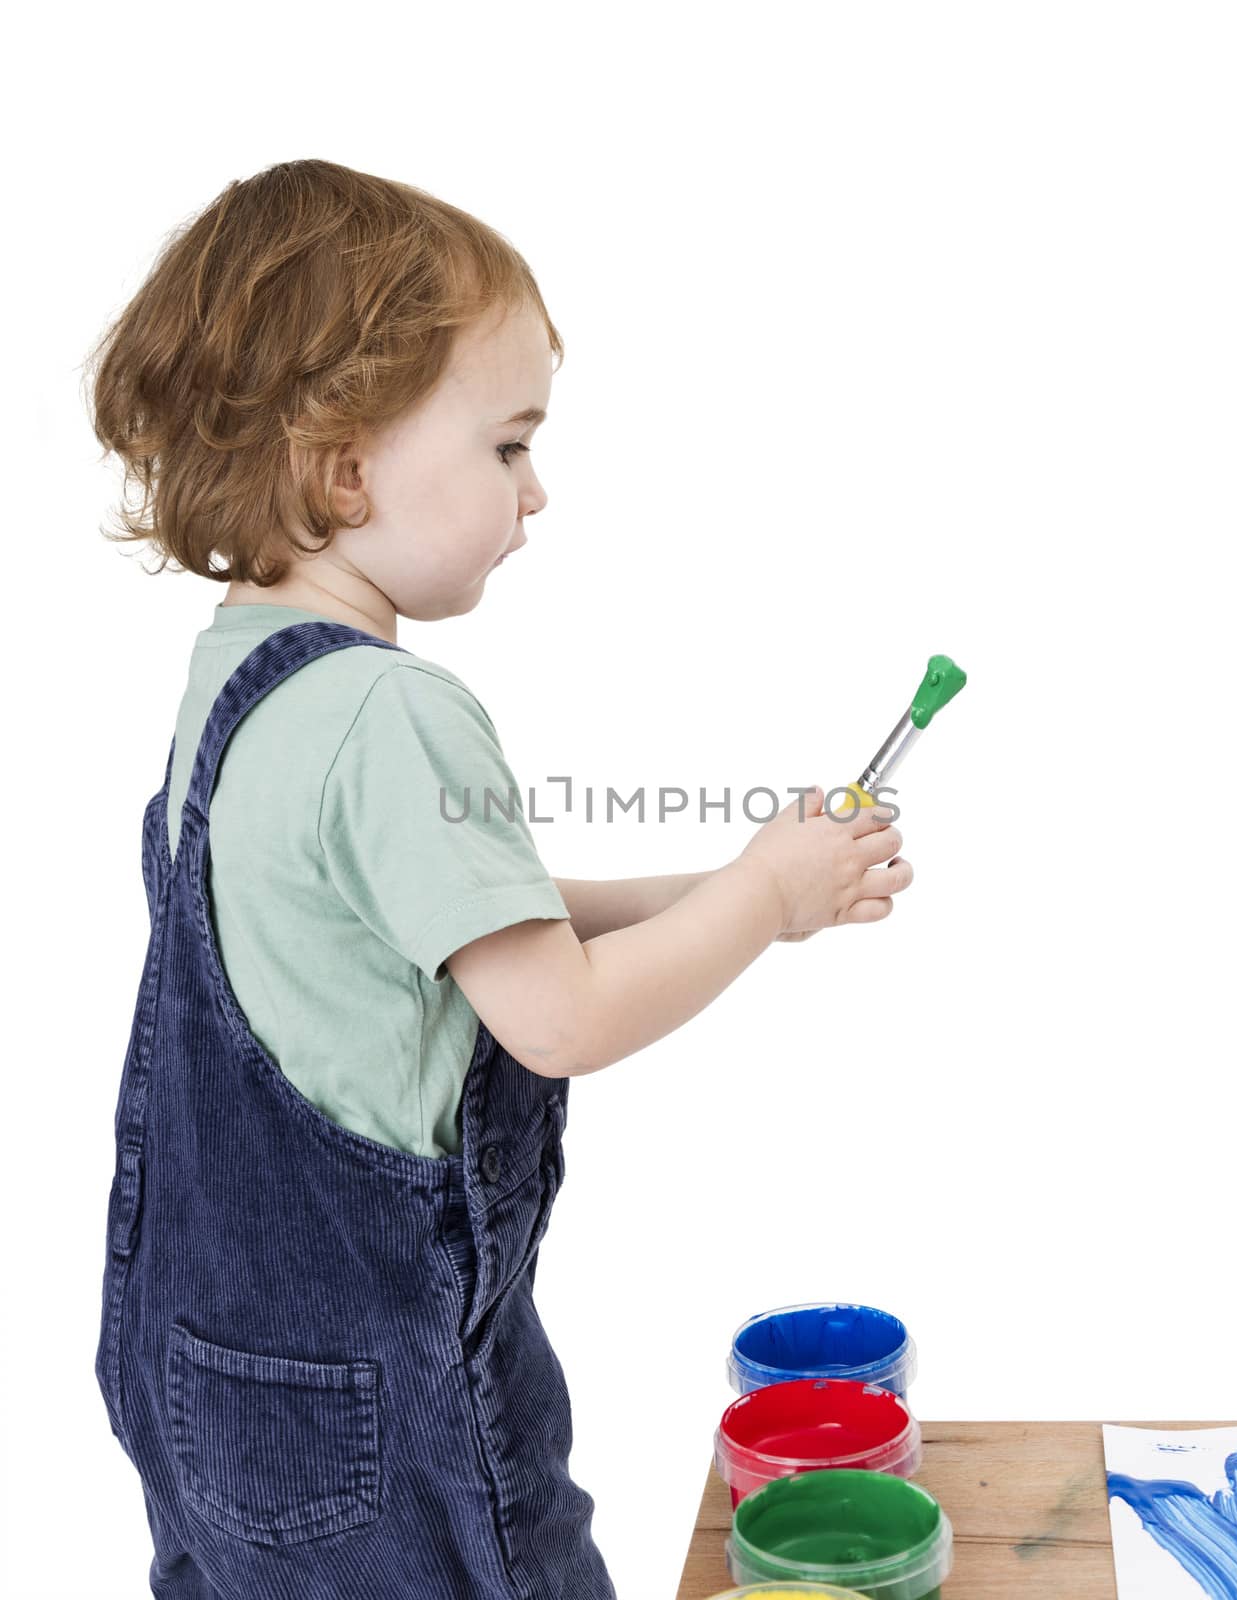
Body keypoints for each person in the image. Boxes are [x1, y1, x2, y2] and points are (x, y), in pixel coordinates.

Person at [84, 158, 912, 1599]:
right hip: (376, 1416)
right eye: (510, 446)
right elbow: (560, 1016)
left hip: (208, 1379)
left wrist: (723, 886)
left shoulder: (236, 681)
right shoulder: (392, 712)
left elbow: (458, 922)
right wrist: (765, 901)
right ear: (344, 468)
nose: (540, 493)